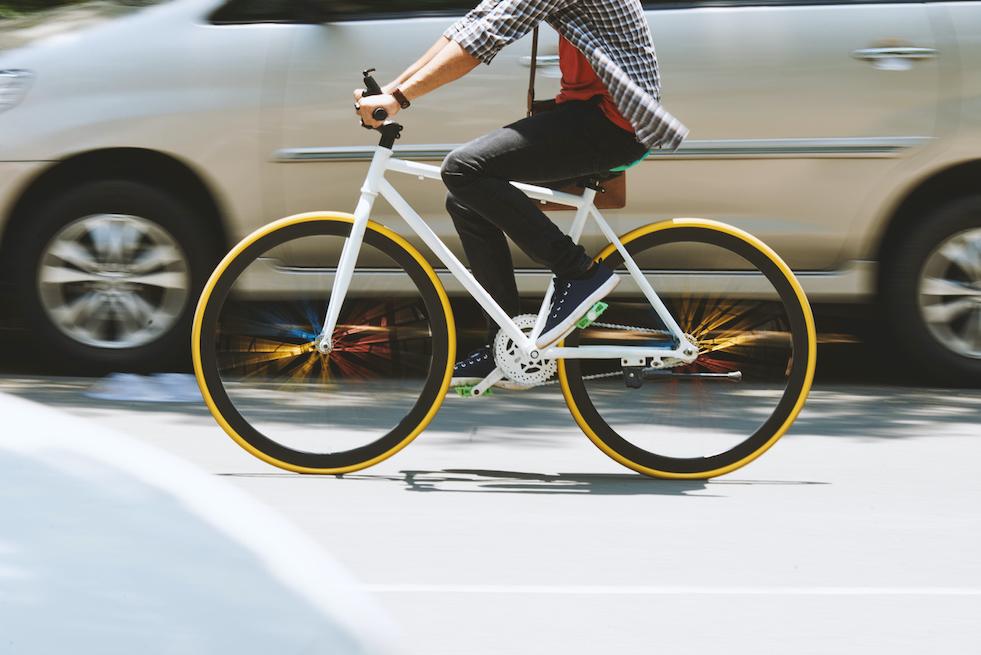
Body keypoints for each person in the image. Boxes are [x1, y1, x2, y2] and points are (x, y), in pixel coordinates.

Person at [355, 0, 688, 388]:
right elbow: (470, 25)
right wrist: (394, 90)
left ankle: (578, 273)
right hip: (589, 116)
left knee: (463, 169)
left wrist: (399, 98)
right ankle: (505, 345)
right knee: (466, 199)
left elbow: (482, 41)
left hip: (612, 124)